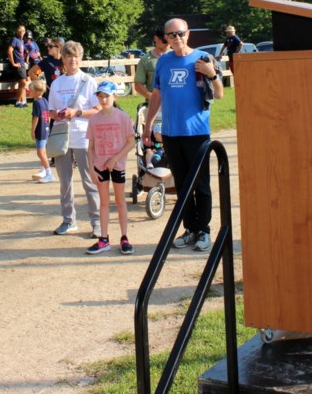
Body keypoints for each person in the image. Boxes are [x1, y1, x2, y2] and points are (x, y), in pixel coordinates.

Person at [142, 18, 223, 253]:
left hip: (196, 132)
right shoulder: (163, 61)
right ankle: (190, 229)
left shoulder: (203, 59)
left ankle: (204, 231)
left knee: (201, 184)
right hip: (170, 132)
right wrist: (148, 125)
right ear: (165, 39)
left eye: (180, 33)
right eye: (171, 35)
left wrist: (212, 74)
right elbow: (156, 94)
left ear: (188, 34)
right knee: (182, 184)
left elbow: (219, 95)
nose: (176, 38)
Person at [46, 40, 102, 237]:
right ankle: (68, 220)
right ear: (62, 58)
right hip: (63, 138)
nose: (73, 59)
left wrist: (76, 112)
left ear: (81, 58)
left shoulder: (88, 81)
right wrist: (58, 115)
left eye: (76, 55)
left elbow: (98, 109)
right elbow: (50, 111)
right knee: (65, 182)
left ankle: (96, 221)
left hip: (84, 137)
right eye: (69, 55)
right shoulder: (57, 83)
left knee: (90, 181)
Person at [84, 80, 135, 255]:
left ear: (115, 96)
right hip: (99, 166)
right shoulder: (94, 119)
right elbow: (90, 146)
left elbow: (131, 142)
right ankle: (103, 239)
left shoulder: (123, 117)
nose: (103, 99)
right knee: (104, 203)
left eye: (107, 96)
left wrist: (115, 159)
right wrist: (91, 168)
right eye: (100, 96)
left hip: (117, 165)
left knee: (120, 202)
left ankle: (124, 237)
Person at [28, 79, 53, 183]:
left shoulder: (36, 102)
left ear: (37, 91)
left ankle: (48, 173)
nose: (29, 92)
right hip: (46, 128)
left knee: (40, 153)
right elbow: (48, 114)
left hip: (40, 130)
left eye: (31, 90)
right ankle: (43, 170)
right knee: (43, 151)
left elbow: (36, 118)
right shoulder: (44, 100)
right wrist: (47, 125)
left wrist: (32, 130)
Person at [134, 27, 168, 102]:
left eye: (169, 39)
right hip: (154, 104)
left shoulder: (177, 56)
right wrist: (152, 97)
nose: (167, 43)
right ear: (156, 38)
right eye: (164, 40)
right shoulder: (145, 60)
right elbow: (138, 84)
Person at [7, 25, 29, 108]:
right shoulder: (14, 39)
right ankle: (18, 101)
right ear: (17, 31)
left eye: (23, 31)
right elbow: (9, 50)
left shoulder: (22, 41)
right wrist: (13, 63)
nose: (21, 32)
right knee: (23, 82)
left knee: (22, 83)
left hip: (22, 64)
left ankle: (22, 101)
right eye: (20, 30)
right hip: (18, 64)